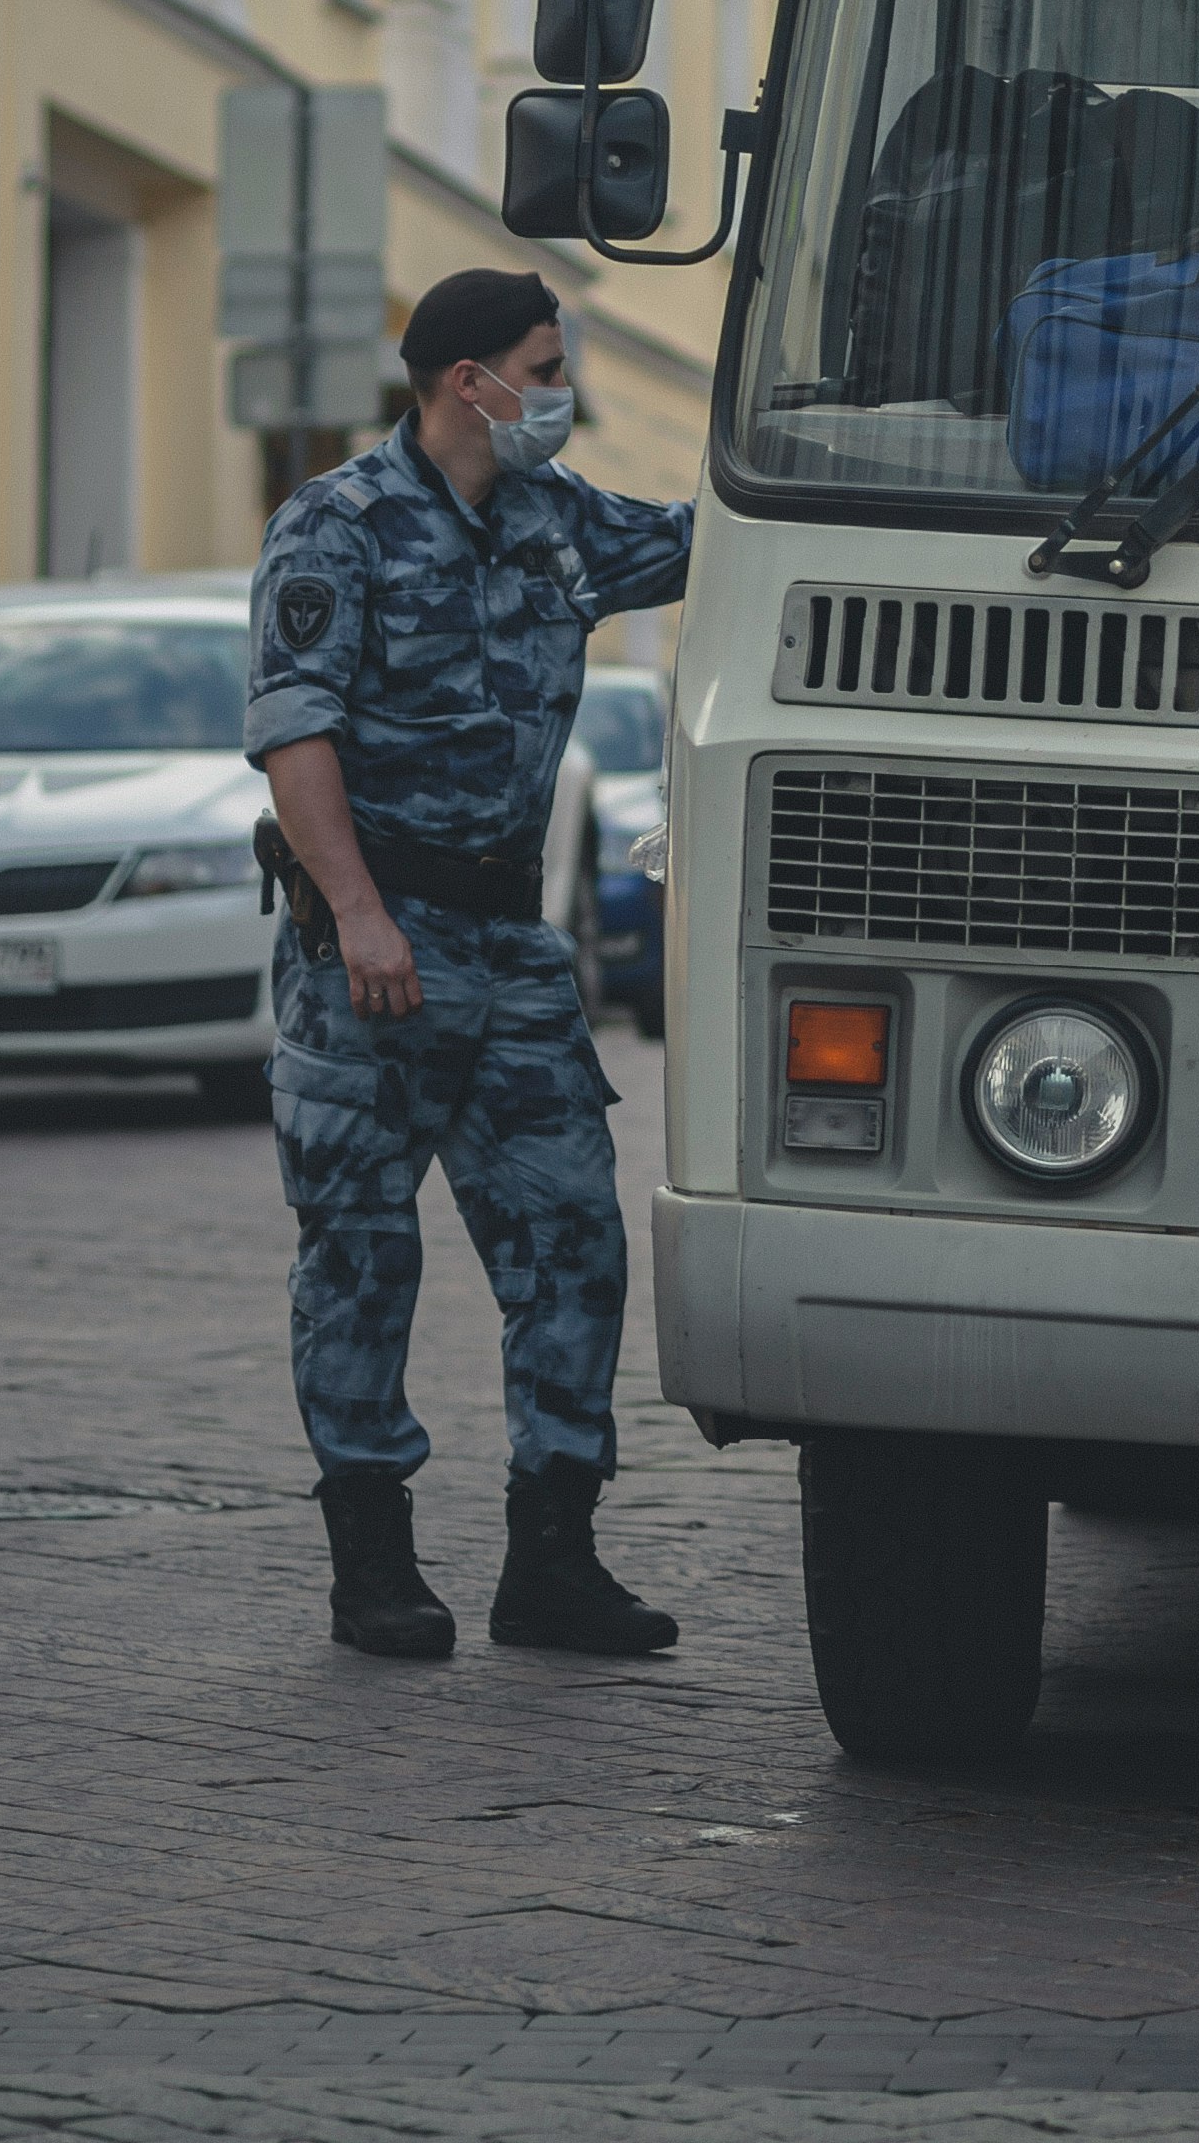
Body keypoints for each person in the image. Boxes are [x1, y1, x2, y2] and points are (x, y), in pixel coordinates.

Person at [250, 268, 695, 1658]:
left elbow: (716, 537)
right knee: (362, 1256)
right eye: (546, 368)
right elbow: (295, 739)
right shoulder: (337, 525)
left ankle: (551, 1558)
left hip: (511, 946)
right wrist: (363, 915)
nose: (562, 396)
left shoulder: (561, 521)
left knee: (575, 1240)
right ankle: (371, 1562)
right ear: (470, 383)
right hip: (372, 953)